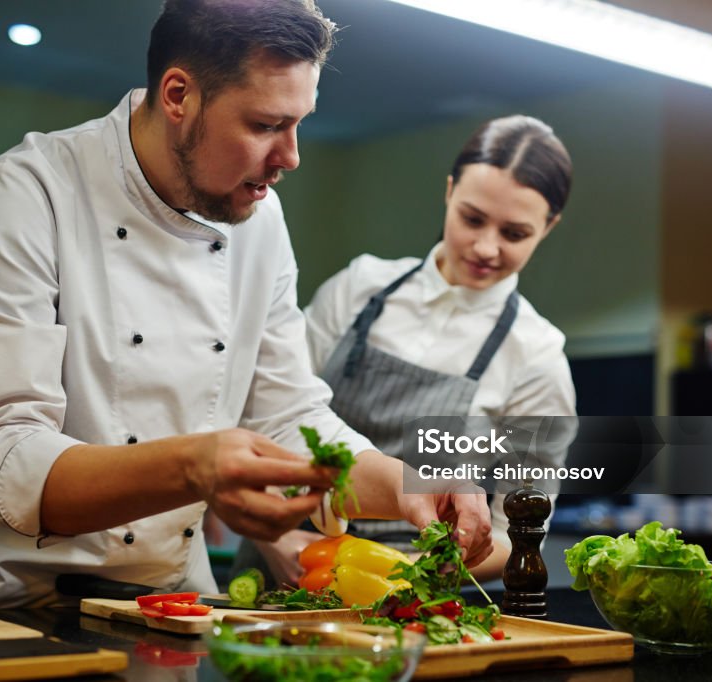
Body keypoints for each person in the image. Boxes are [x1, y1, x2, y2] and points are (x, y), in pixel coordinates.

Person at [0, 0, 493, 609]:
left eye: (299, 122)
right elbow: (4, 460)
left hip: (169, 605)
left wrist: (412, 484)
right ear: (178, 96)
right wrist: (196, 467)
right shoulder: (27, 195)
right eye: (266, 124)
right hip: (4, 606)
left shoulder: (259, 218)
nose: (291, 156)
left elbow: (289, 417)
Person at [240, 114, 576, 586]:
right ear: (448, 191)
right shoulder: (358, 289)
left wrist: (407, 574)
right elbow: (265, 416)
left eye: (514, 234)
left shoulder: (537, 360)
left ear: (549, 226)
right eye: (472, 218)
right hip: (279, 563)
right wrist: (273, 540)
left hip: (408, 595)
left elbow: (517, 535)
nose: (485, 247)